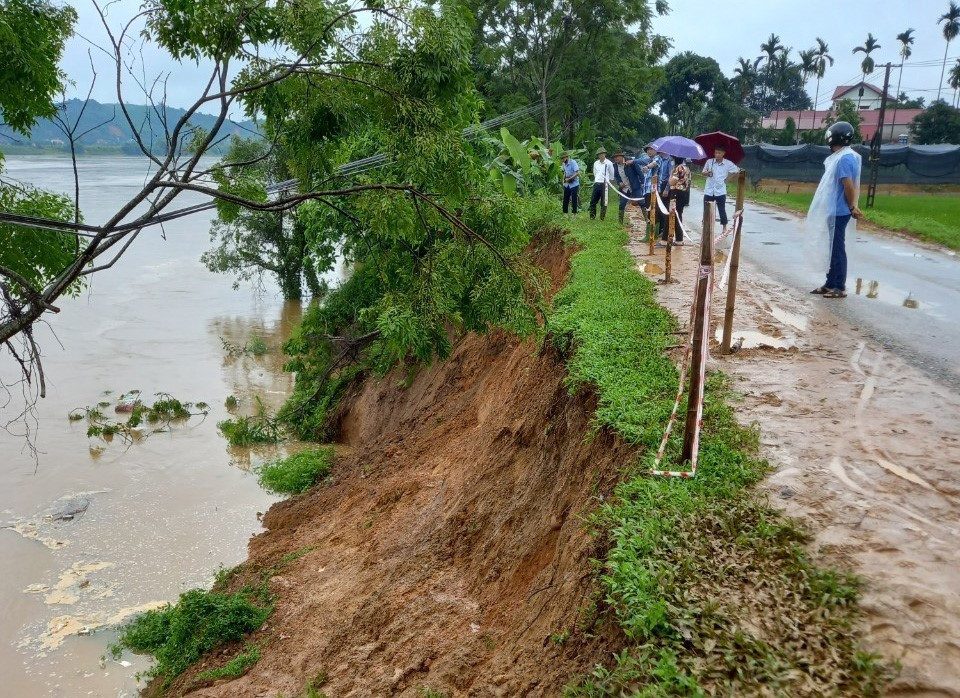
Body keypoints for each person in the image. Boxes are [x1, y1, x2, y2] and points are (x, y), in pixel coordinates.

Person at [806, 121, 862, 298]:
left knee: (837, 248)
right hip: (834, 210)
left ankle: (840, 286)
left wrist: (852, 206)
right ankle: (830, 282)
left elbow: (848, 185)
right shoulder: (843, 156)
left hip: (840, 211)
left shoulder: (844, 158)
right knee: (831, 247)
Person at [702, 145, 740, 235]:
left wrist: (728, 179)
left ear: (723, 154)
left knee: (721, 209)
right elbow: (703, 172)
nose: (717, 154)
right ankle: (706, 225)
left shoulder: (728, 163)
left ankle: (724, 227)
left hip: (720, 190)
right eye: (716, 152)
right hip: (709, 190)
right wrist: (708, 172)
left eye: (719, 153)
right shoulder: (709, 161)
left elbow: (737, 171)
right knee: (707, 209)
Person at [660, 155, 690, 244]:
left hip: (676, 193)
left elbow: (672, 182)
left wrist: (670, 174)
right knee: (678, 215)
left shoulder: (678, 168)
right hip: (684, 194)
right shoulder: (686, 168)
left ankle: (664, 240)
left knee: (671, 215)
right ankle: (679, 239)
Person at [589, 147, 615, 220]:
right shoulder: (596, 163)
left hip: (605, 184)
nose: (601, 155)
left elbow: (612, 175)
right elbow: (595, 173)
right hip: (597, 183)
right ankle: (592, 216)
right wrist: (597, 179)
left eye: (602, 154)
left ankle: (602, 217)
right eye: (600, 154)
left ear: (605, 154)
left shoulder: (609, 163)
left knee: (604, 202)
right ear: (598, 155)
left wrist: (609, 183)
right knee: (593, 201)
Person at [612, 150, 634, 224]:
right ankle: (620, 222)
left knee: (641, 203)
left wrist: (642, 183)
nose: (616, 158)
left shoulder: (630, 163)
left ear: (622, 157)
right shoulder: (614, 166)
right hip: (624, 188)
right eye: (614, 157)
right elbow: (617, 177)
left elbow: (638, 172)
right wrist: (619, 182)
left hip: (634, 186)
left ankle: (647, 221)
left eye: (617, 156)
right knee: (622, 204)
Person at [560, 151, 580, 220]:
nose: (562, 160)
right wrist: (563, 181)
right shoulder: (563, 164)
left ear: (567, 157)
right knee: (566, 199)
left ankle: (574, 215)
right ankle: (565, 214)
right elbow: (565, 172)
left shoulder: (573, 162)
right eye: (561, 158)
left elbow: (577, 173)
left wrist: (570, 178)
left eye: (563, 158)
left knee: (574, 199)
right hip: (567, 184)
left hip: (574, 183)